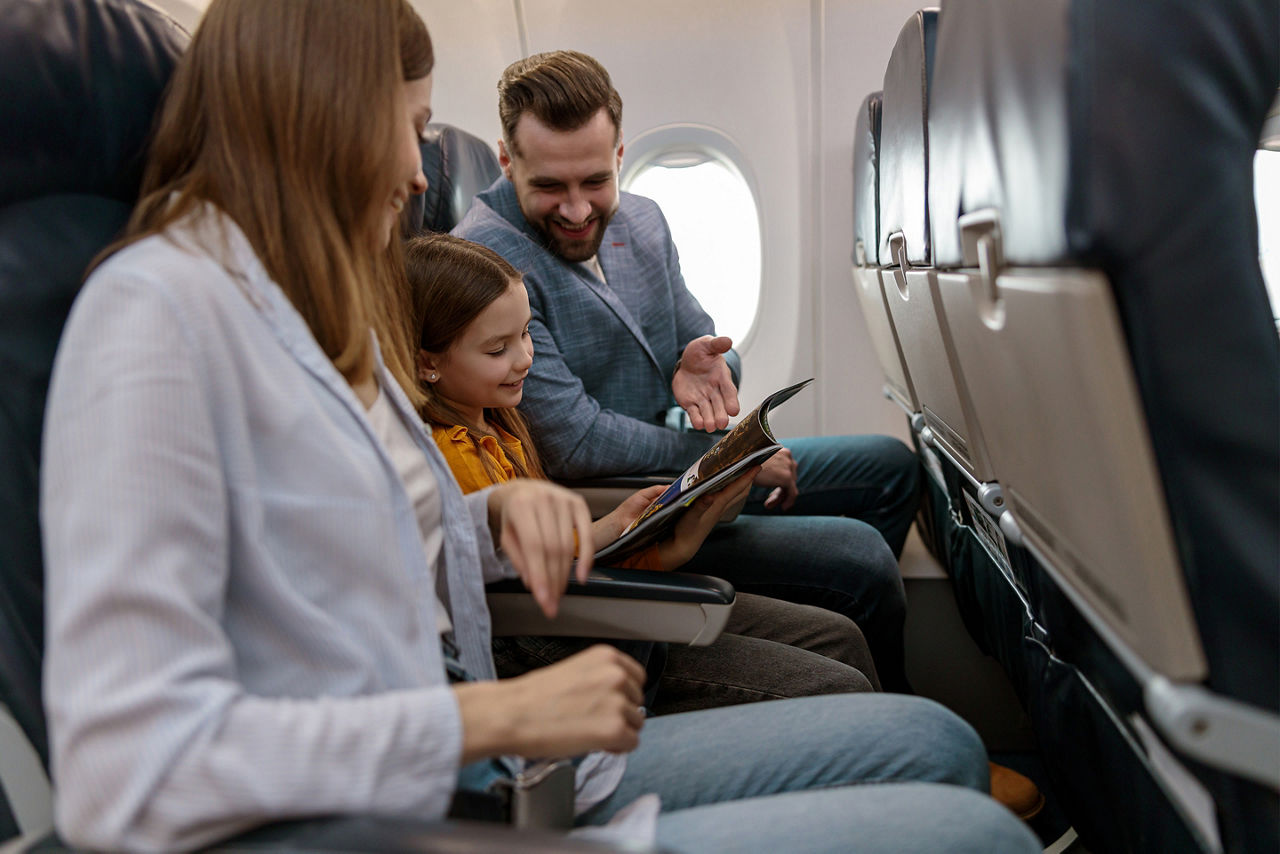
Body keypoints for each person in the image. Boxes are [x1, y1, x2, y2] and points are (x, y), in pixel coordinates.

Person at [38, 1, 1044, 851]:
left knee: (935, 744)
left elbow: (361, 559)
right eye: (408, 125)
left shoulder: (305, 305)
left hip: (491, 764)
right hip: (405, 810)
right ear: (319, 119)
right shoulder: (156, 315)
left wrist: (496, 513)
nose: (417, 169)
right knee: (972, 831)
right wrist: (492, 712)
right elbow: (123, 767)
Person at [452, 49, 919, 693]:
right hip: (629, 497)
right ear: (508, 162)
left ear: (620, 155)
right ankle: (890, 726)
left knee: (890, 468)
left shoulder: (642, 218)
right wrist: (726, 457)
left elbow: (709, 341)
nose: (578, 210)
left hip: (682, 467)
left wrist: (708, 362)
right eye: (550, 187)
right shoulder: (484, 264)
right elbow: (576, 440)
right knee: (861, 562)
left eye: (594, 180)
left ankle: (844, 697)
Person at [403, 231, 882, 712]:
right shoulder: (455, 455)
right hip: (564, 638)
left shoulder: (497, 423)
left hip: (588, 602)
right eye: (497, 350)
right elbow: (527, 580)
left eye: (526, 334)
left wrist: (631, 529)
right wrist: (649, 546)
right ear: (428, 364)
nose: (525, 358)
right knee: (840, 679)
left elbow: (548, 552)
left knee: (839, 636)